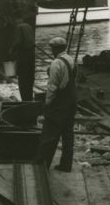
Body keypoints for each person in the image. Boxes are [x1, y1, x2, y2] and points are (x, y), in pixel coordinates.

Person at [35, 36, 76, 172]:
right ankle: (66, 165)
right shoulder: (71, 59)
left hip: (59, 103)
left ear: (56, 49)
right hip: (71, 102)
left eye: (52, 49)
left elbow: (52, 87)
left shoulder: (56, 63)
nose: (52, 51)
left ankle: (42, 165)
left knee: (49, 134)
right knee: (67, 135)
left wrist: (47, 103)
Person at [8, 13, 36, 103]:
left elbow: (18, 42)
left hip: (23, 55)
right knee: (30, 77)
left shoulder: (18, 27)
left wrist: (12, 50)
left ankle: (24, 100)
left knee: (23, 79)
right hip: (31, 55)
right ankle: (29, 98)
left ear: (16, 20)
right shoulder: (28, 26)